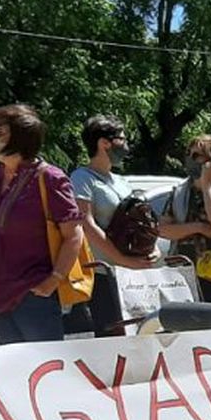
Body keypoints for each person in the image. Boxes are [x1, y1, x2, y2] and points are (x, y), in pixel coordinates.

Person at [0, 104, 84, 344]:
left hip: (33, 292)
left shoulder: (50, 178)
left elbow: (73, 234)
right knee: (11, 370)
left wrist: (54, 279)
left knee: (45, 369)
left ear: (20, 137)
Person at [71, 115, 156, 335]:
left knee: (143, 334)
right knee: (113, 337)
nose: (126, 145)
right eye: (122, 139)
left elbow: (141, 221)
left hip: (133, 275)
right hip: (105, 275)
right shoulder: (82, 178)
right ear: (104, 143)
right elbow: (87, 226)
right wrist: (122, 260)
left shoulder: (121, 180)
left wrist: (151, 248)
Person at [158, 134, 211, 300]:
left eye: (196, 155)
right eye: (189, 154)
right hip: (182, 271)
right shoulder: (179, 191)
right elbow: (163, 230)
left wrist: (206, 185)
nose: (190, 159)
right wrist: (199, 228)